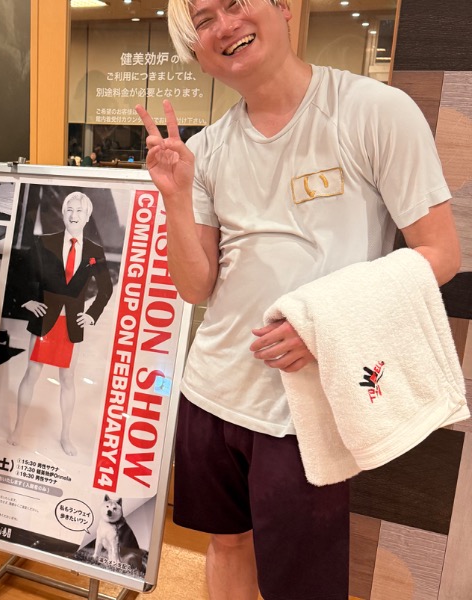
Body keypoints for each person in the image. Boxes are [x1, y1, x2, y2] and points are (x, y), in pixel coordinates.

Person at [135, 1, 460, 599]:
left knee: (301, 582)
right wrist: (176, 200)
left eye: (236, 3)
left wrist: (328, 325)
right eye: (203, 21)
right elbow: (196, 288)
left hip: (305, 404)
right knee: (225, 543)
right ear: (198, 54)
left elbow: (439, 253)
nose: (224, 25)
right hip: (211, 387)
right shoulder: (208, 148)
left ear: (282, 6)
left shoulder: (374, 111)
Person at [7, 191, 113, 456]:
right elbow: (20, 271)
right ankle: (18, 427)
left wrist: (92, 314)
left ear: (87, 217)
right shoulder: (45, 242)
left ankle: (65, 435)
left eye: (80, 211)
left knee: (68, 378)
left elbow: (106, 288)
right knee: (32, 372)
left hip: (72, 323)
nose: (74, 216)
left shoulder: (94, 251)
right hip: (46, 318)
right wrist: (27, 301)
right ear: (63, 213)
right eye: (70, 210)